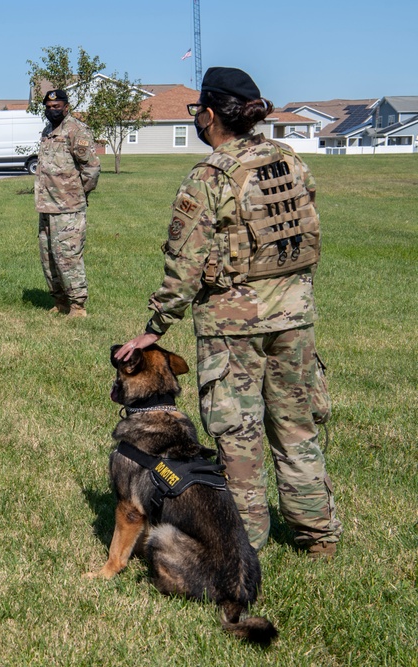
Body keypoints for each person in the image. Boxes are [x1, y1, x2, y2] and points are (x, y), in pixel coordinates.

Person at [115, 67, 341, 557]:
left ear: (211, 115)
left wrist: (155, 329)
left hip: (231, 323)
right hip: (295, 316)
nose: (196, 119)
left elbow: (186, 264)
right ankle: (318, 537)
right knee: (296, 427)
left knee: (238, 436)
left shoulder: (209, 176)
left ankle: (246, 544)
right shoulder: (289, 160)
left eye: (198, 111)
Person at [35, 89, 100, 318]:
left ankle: (77, 306)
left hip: (68, 208)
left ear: (66, 106)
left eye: (57, 106)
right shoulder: (47, 131)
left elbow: (90, 169)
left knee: (68, 256)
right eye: (48, 107)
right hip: (46, 206)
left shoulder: (76, 130)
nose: (52, 110)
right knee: (49, 256)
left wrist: (77, 194)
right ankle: (60, 301)